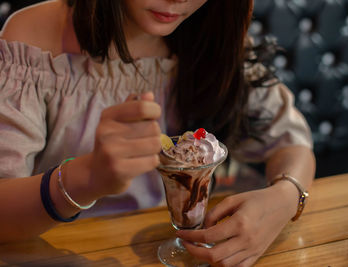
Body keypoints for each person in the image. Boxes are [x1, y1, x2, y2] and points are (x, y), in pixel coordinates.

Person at [0, 0, 315, 266]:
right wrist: (86, 178)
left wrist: (284, 198)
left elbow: (291, 143)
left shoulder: (212, 37)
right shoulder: (35, 41)